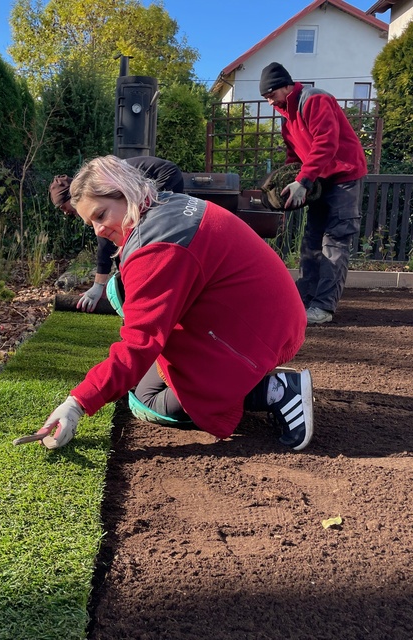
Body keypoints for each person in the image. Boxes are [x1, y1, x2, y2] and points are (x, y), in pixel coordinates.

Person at [36, 155, 314, 452]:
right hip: (264, 314)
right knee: (142, 385)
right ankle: (241, 377)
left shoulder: (156, 247)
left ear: (124, 191)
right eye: (90, 222)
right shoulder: (165, 202)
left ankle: (276, 391)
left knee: (148, 403)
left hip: (260, 331)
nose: (98, 230)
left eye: (101, 214)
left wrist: (77, 403)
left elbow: (138, 345)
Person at [259, 62, 368, 324]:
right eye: (265, 97)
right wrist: (288, 181)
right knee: (311, 241)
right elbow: (294, 155)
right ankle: (304, 300)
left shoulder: (314, 100)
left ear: (286, 86)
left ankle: (323, 307)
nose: (269, 101)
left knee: (335, 241)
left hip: (344, 175)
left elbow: (326, 143)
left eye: (271, 94)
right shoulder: (286, 115)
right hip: (320, 179)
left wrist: (304, 180)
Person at [49, 156, 184, 312]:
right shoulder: (97, 194)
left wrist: (98, 286)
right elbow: (109, 239)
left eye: (62, 207)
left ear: (71, 196)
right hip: (153, 178)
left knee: (140, 230)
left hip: (165, 177)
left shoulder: (97, 188)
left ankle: (154, 289)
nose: (65, 213)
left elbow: (104, 241)